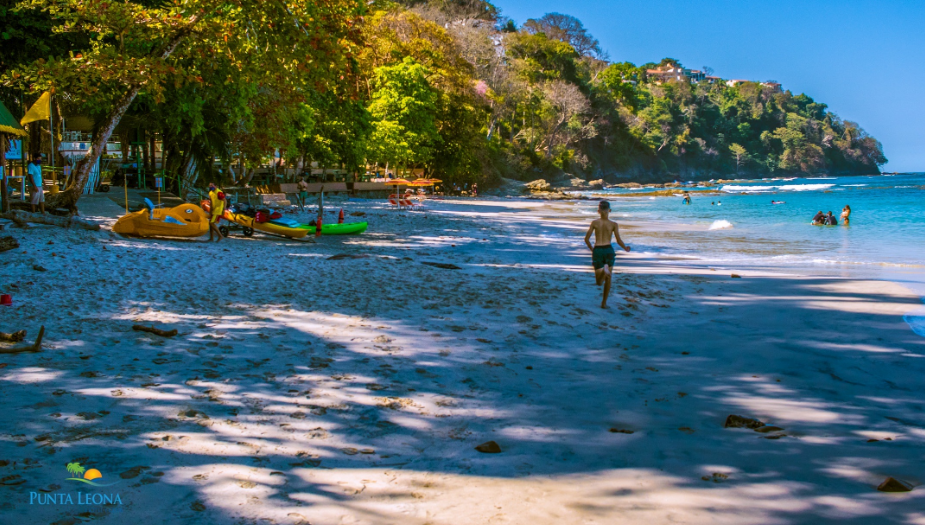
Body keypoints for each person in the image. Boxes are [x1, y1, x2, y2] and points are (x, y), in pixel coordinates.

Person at [584, 200, 631, 309]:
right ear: (609, 210)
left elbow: (586, 239)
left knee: (599, 282)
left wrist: (593, 250)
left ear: (598, 211)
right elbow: (618, 240)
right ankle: (604, 303)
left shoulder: (594, 223)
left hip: (598, 250)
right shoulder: (614, 224)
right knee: (609, 279)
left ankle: (604, 272)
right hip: (609, 250)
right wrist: (625, 248)